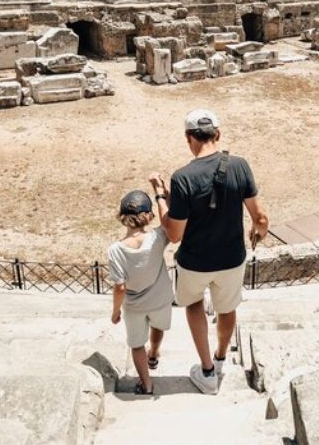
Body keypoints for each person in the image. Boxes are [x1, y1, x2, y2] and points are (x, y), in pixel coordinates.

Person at [152, 109, 269, 395]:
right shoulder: (240, 166)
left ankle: (206, 372)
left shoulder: (182, 178)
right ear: (217, 134)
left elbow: (175, 233)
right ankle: (219, 358)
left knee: (193, 305)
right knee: (227, 308)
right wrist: (258, 231)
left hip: (195, 262)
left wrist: (160, 196)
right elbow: (261, 218)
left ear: (188, 138)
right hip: (231, 258)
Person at [108, 188, 174, 396]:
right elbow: (171, 220)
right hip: (160, 298)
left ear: (122, 217)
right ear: (149, 216)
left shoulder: (115, 250)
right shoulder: (158, 236)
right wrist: (163, 195)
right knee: (158, 326)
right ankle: (153, 353)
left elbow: (119, 287)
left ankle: (146, 385)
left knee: (136, 344)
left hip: (134, 306)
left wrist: (115, 311)